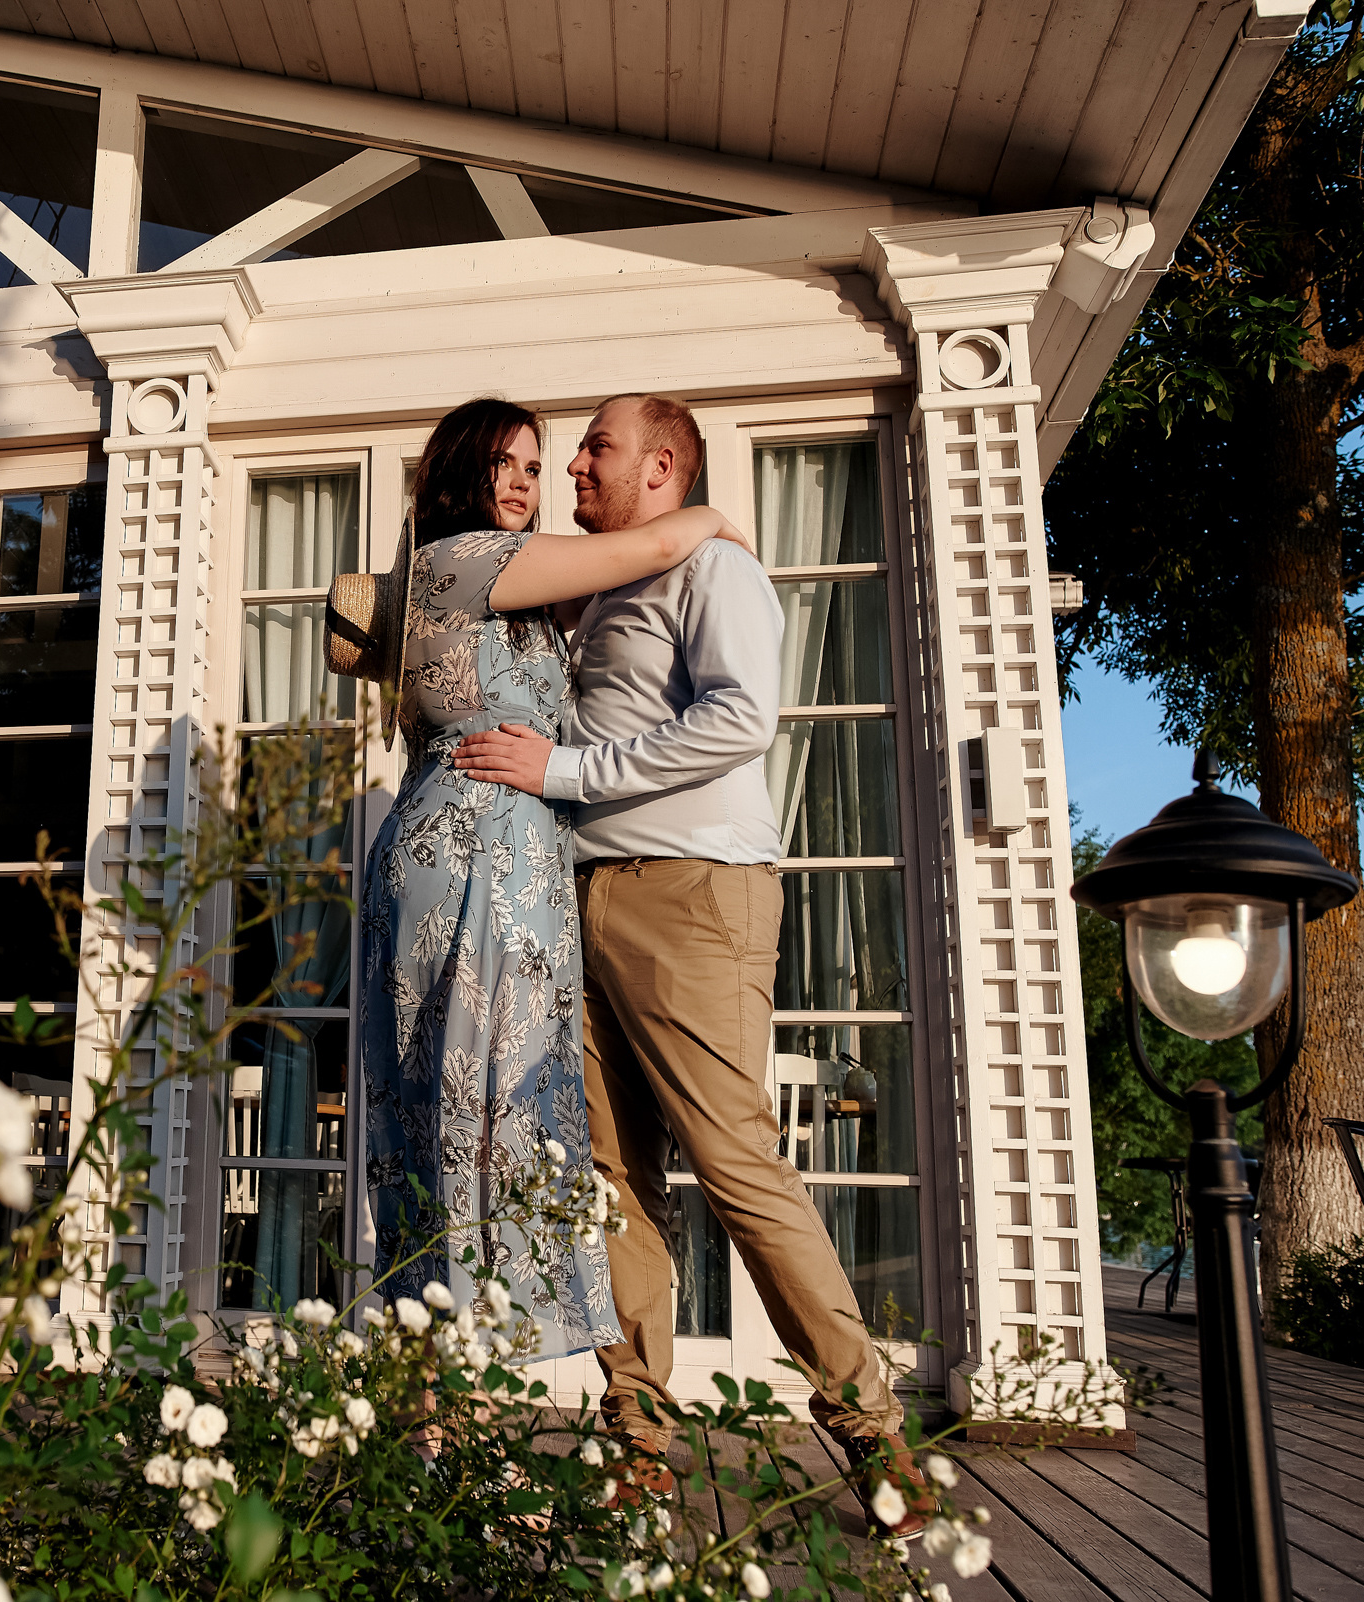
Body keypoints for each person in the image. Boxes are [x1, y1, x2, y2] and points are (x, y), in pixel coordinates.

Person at [450, 393, 928, 1533]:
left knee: (734, 1161)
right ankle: (640, 1442)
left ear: (661, 466)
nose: (574, 466)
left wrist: (561, 772)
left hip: (692, 894)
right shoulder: (603, 581)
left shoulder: (716, 573)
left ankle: (874, 1433)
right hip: (580, 898)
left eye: (596, 449)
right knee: (614, 1179)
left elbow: (739, 720)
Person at [358, 396, 746, 1365]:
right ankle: (447, 1401)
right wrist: (705, 519)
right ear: (458, 472)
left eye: (539, 465)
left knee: (506, 1116)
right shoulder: (464, 561)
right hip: (468, 852)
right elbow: (640, 553)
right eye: (508, 464)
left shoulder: (514, 589)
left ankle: (456, 1393)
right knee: (464, 1112)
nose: (531, 483)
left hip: (518, 857)